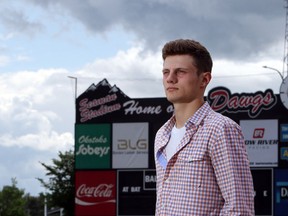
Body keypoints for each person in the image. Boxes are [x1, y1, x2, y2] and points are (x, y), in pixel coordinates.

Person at [154, 39, 255, 215]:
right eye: (166, 72)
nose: (170, 78)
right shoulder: (162, 135)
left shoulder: (220, 129)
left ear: (204, 79)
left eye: (181, 72)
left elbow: (239, 208)